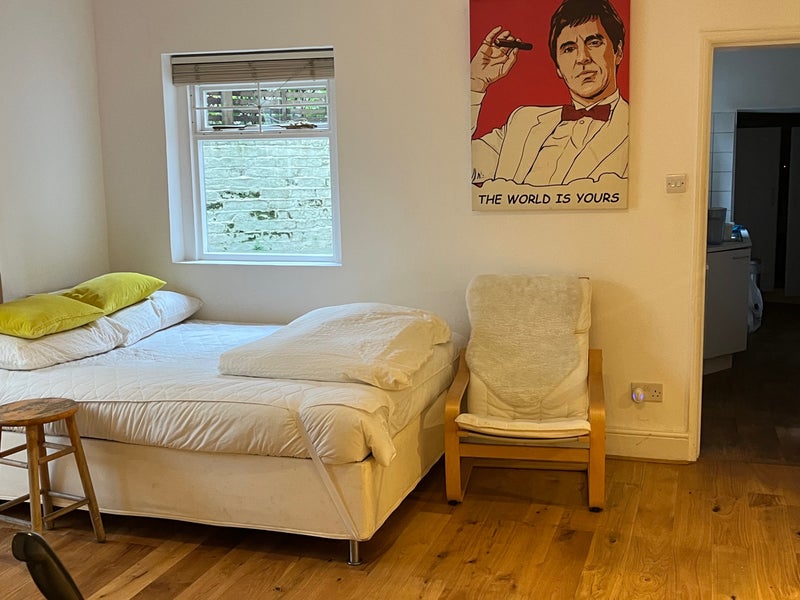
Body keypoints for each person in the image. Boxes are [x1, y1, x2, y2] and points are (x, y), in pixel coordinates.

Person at [471, 0, 628, 187]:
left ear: (618, 51)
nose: (582, 58)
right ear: (558, 68)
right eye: (569, 49)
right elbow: (454, 163)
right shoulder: (523, 121)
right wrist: (476, 81)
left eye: (594, 43)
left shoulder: (638, 126)